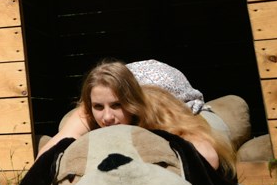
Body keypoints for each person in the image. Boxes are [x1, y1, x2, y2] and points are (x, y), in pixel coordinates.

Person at [38, 59, 236, 176]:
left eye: (117, 105)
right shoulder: (90, 107)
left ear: (132, 104)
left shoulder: (157, 109)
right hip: (132, 81)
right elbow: (50, 150)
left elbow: (208, 158)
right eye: (99, 107)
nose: (107, 117)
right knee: (67, 123)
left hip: (185, 104)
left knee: (232, 116)